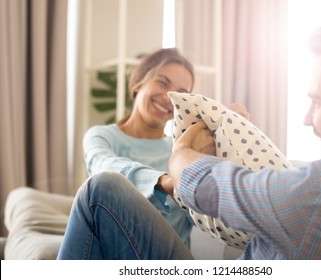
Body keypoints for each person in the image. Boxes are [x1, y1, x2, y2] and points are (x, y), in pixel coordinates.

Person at [170, 14, 321, 259]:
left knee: (116, 189)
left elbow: (209, 186)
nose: (307, 119)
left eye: (318, 102)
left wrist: (181, 155)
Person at [57, 48, 248, 259]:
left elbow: (207, 215)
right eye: (163, 83)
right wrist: (167, 182)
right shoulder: (102, 137)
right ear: (139, 82)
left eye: (181, 93)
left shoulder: (182, 151)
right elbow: (102, 167)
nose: (169, 97)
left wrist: (226, 142)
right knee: (101, 186)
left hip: (168, 259)